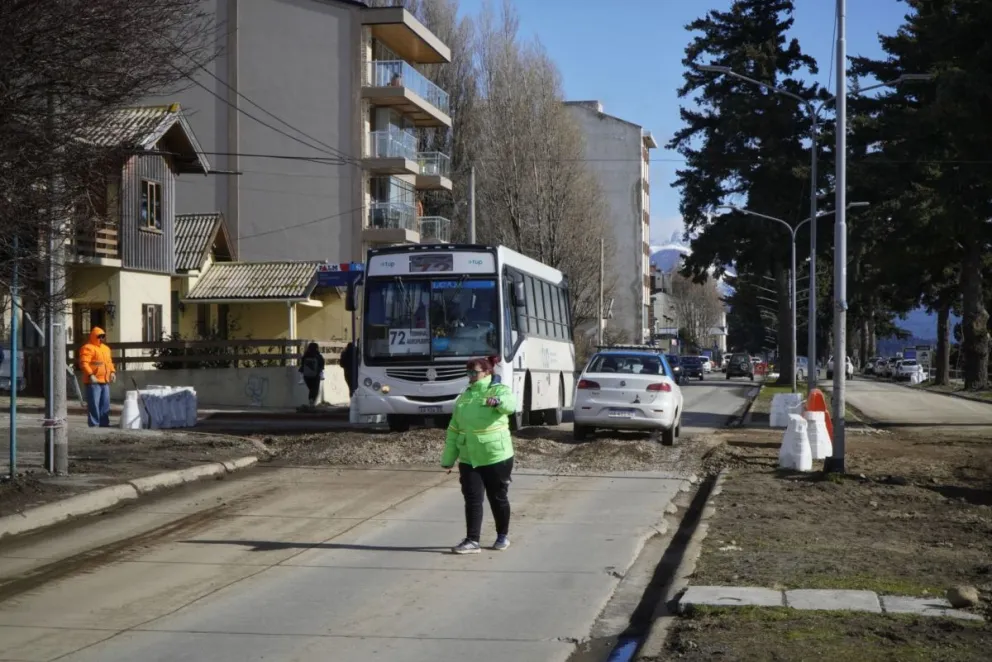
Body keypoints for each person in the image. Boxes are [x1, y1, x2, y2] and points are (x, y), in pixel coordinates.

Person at [441, 356, 516, 554]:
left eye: (475, 372)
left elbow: (510, 405)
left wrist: (498, 402)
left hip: (496, 456)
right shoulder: (465, 396)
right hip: (469, 457)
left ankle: (502, 535)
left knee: (497, 497)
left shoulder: (498, 389)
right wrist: (448, 458)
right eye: (469, 372)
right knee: (472, 498)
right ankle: (472, 540)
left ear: (486, 372)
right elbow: (454, 429)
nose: (471, 376)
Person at [78, 327, 115, 427]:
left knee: (105, 405)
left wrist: (112, 372)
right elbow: (84, 363)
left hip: (105, 381)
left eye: (103, 336)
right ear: (94, 336)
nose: (102, 338)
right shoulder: (87, 347)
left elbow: (109, 362)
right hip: (93, 382)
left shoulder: (106, 349)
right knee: (94, 405)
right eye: (99, 336)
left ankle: (104, 424)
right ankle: (94, 425)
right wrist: (91, 375)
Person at [299, 342, 325, 407]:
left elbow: (302, 364)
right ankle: (312, 401)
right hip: (315, 375)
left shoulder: (305, 355)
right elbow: (322, 364)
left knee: (311, 388)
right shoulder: (318, 355)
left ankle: (311, 400)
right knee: (315, 388)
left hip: (306, 375)